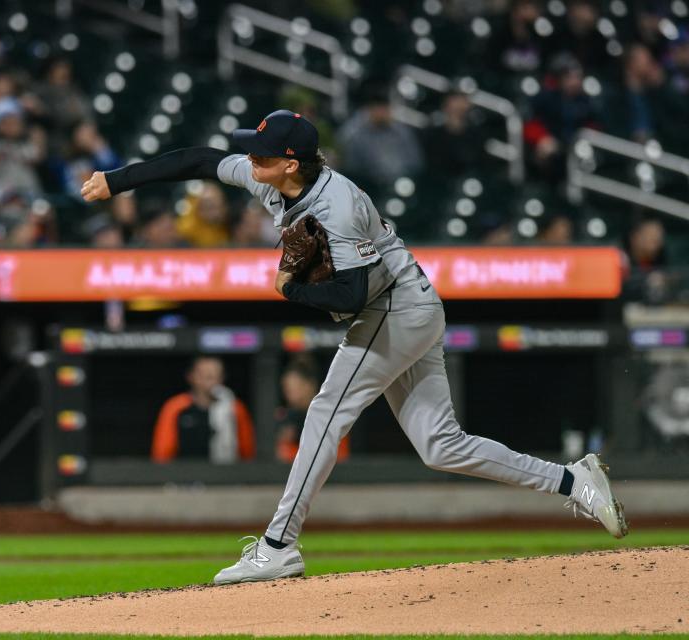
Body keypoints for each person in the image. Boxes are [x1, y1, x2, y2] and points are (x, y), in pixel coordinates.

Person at [81, 108, 628, 586]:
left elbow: (357, 289)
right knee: (441, 446)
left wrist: (291, 287)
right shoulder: (268, 179)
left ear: (291, 163)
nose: (250, 158)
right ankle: (572, 480)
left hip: (393, 307)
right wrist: (120, 179)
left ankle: (278, 547)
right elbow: (199, 160)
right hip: (408, 304)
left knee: (325, 412)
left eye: (262, 154)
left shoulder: (337, 205)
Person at [150, 356, 255, 464]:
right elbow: (161, 453)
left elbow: (247, 451)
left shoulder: (235, 407)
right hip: (184, 475)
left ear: (222, 378)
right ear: (190, 377)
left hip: (225, 474)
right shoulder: (175, 407)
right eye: (203, 375)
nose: (208, 380)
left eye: (214, 376)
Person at [337, 88, 424, 187]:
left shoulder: (401, 131)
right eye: (379, 108)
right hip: (369, 186)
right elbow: (351, 167)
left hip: (403, 184)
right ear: (369, 109)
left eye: (385, 108)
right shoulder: (353, 133)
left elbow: (416, 162)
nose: (383, 112)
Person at [276, 359, 349, 464]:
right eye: (287, 390)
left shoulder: (330, 415)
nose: (289, 395)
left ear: (310, 385)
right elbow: (280, 455)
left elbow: (341, 456)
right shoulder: (283, 417)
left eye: (295, 388)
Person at [176, 182, 231, 248]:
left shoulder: (233, 226)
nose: (215, 212)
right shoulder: (186, 229)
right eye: (209, 207)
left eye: (218, 206)